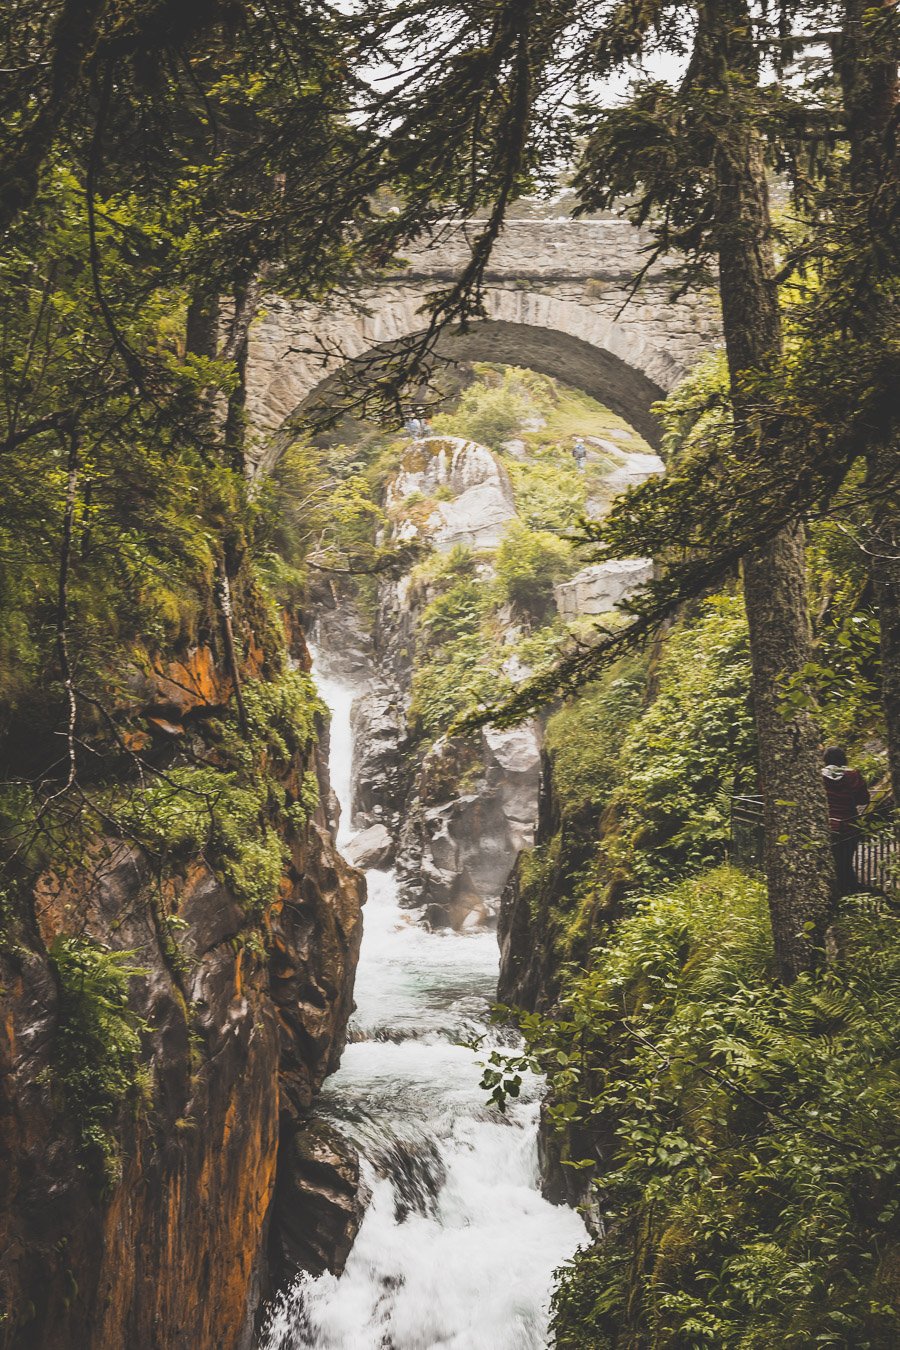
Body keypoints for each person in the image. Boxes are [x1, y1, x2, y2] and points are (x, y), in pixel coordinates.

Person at [822, 746, 870, 895]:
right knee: (846, 859)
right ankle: (849, 888)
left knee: (833, 860)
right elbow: (864, 799)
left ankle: (838, 890)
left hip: (827, 825)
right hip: (849, 824)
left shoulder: (818, 776)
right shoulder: (853, 775)